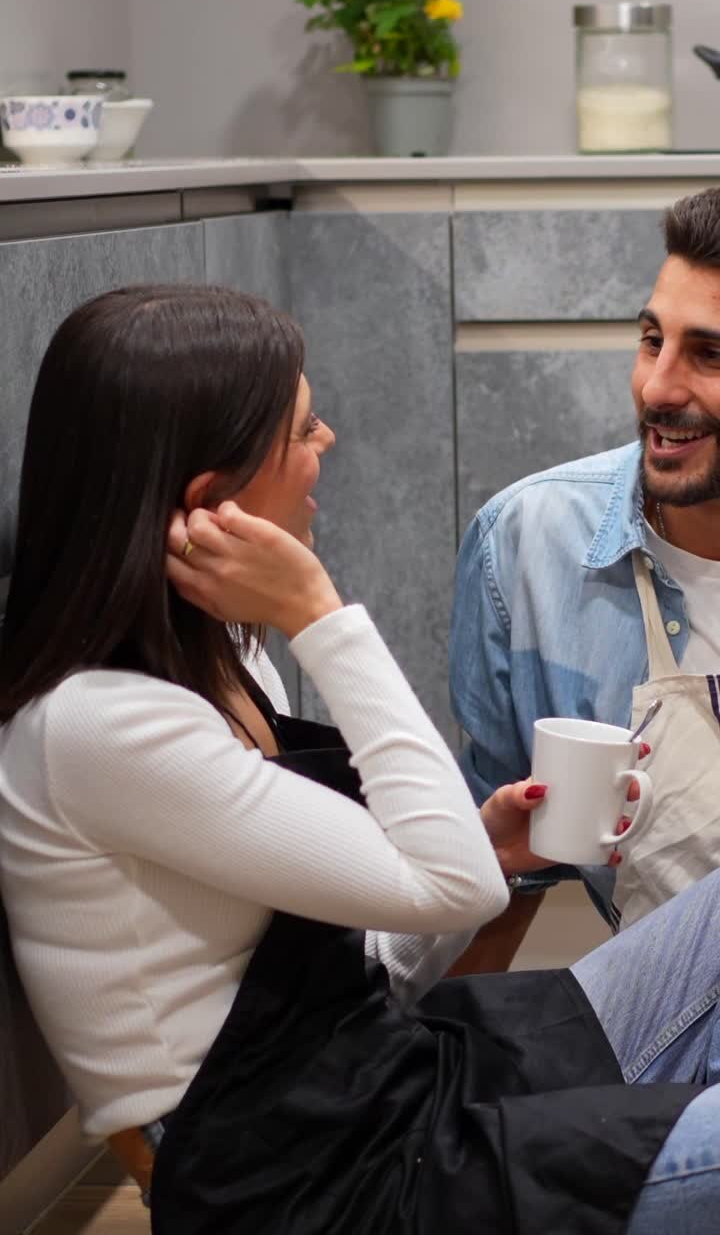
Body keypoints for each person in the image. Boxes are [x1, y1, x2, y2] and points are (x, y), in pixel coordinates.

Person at [0, 284, 718, 1235]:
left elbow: (360, 961)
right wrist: (322, 617)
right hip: (314, 1187)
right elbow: (450, 892)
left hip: (384, 1083)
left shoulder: (221, 663)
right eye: (301, 429)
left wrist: (487, 847)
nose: (327, 442)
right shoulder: (101, 727)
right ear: (211, 497)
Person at [450, 185, 720, 951]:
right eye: (650, 340)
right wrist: (459, 1062)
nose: (659, 388)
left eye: (711, 354)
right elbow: (502, 873)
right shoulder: (530, 546)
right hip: (659, 1040)